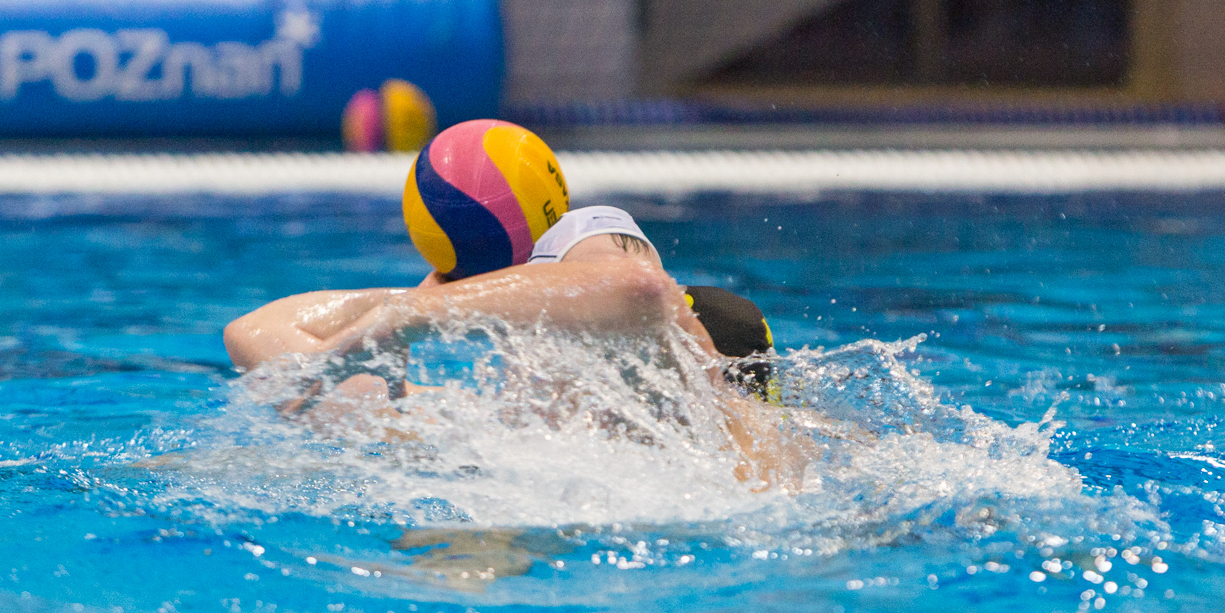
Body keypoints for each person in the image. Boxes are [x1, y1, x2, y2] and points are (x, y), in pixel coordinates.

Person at [224, 206, 819, 491]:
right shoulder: (494, 433)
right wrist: (419, 297)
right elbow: (254, 335)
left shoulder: (715, 420)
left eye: (549, 321)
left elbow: (636, 288)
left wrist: (412, 313)